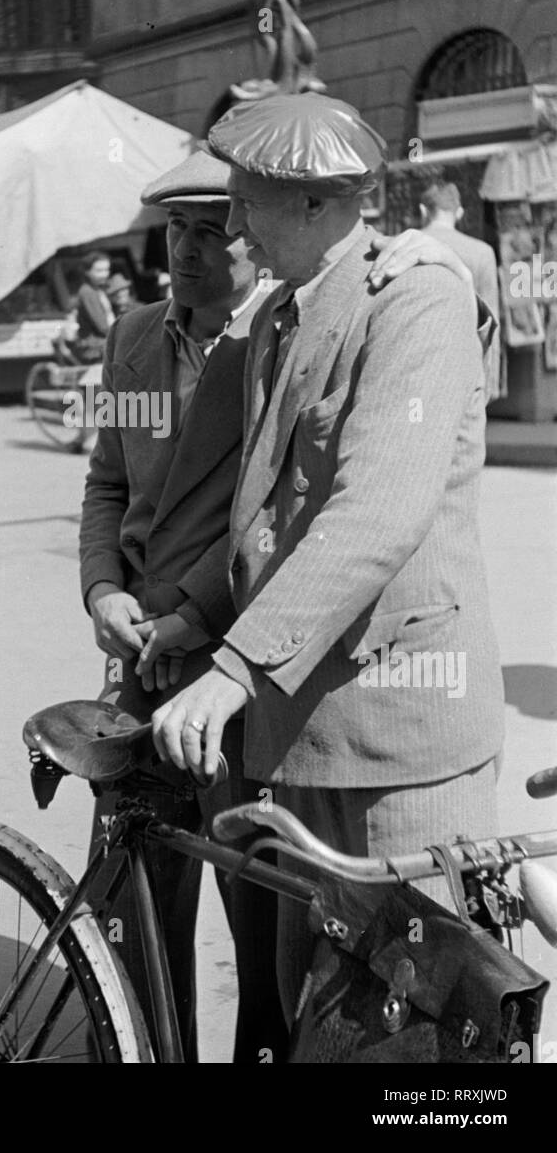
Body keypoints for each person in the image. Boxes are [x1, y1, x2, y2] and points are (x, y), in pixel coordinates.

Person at [80, 142, 476, 1061]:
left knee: (261, 919)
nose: (190, 250)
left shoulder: (277, 336)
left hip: (236, 658)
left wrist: (433, 253)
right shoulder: (134, 341)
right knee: (132, 896)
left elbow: (288, 521)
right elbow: (108, 484)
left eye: (214, 229)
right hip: (145, 658)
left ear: (251, 240)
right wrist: (103, 585)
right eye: (175, 230)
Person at [417, 178, 500, 401]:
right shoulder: (482, 252)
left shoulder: (406, 246)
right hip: (466, 360)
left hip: (418, 360)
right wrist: (491, 380)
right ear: (460, 212)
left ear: (423, 210)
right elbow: (491, 321)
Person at [74, 250, 114, 362]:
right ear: (87, 272)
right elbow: (102, 326)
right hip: (95, 346)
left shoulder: (98, 289)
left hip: (104, 342)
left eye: (106, 270)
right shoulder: (87, 292)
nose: (104, 274)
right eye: (99, 271)